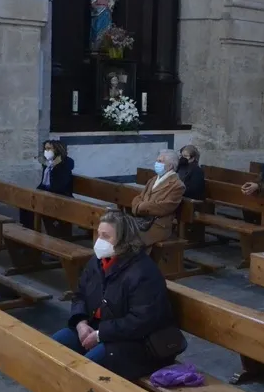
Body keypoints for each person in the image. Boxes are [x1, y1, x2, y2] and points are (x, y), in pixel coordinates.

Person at [54, 210, 179, 378]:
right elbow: (80, 295)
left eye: (106, 237)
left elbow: (141, 321)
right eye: (99, 235)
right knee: (54, 346)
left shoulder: (143, 272)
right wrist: (81, 323)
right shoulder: (98, 262)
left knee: (88, 367)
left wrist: (100, 335)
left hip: (139, 343)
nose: (99, 242)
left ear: (124, 241)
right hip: (101, 328)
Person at [129, 150, 185, 248]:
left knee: (132, 239)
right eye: (157, 161)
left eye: (160, 161)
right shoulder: (154, 179)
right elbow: (139, 197)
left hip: (158, 225)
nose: (157, 163)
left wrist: (142, 206)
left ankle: (140, 262)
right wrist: (137, 206)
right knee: (118, 230)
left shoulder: (177, 185)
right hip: (143, 220)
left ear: (170, 166)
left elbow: (165, 207)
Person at [19, 140, 75, 230]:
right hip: (47, 195)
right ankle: (28, 230)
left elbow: (59, 186)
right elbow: (43, 184)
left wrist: (55, 167)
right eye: (45, 149)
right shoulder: (48, 164)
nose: (46, 151)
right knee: (25, 202)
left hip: (61, 197)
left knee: (38, 204)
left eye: (49, 149)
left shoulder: (64, 164)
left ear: (57, 150)